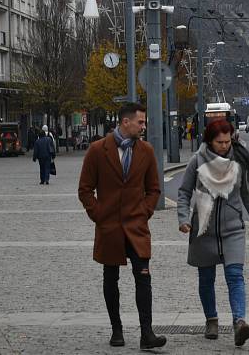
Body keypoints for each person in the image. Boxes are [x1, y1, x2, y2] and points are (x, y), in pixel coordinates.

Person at [77, 102, 166, 350]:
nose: (144, 125)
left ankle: (147, 334)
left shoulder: (146, 151)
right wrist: (99, 215)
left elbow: (154, 189)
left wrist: (144, 212)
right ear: (125, 122)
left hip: (136, 226)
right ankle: (116, 330)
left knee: (144, 277)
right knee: (110, 277)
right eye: (140, 122)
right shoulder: (97, 150)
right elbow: (85, 189)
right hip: (110, 227)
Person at [177, 119, 249, 347]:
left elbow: (246, 193)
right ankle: (211, 320)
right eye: (219, 142)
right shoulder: (197, 161)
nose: (224, 146)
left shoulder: (239, 161)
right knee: (206, 279)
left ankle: (239, 323)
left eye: (227, 141)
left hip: (232, 228)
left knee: (235, 276)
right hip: (203, 229)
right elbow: (185, 192)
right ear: (209, 140)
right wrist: (184, 219)